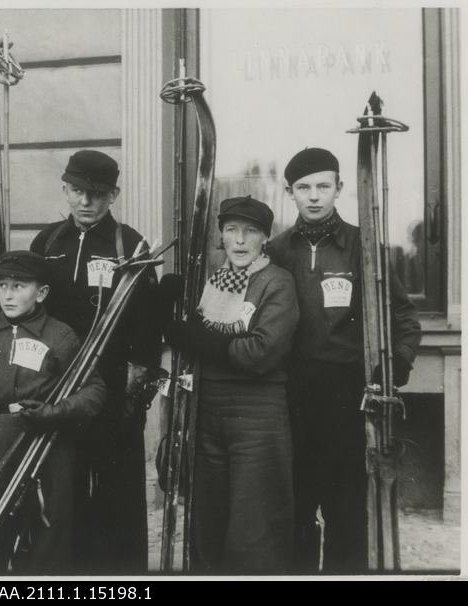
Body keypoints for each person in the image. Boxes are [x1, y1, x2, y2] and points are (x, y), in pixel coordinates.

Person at [270, 148, 422, 573]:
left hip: (348, 399)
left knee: (347, 511)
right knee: (295, 509)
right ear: (290, 192)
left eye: (323, 186)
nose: (314, 196)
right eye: (303, 188)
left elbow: (405, 318)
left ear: (339, 187)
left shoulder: (363, 247)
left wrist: (395, 367)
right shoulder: (278, 250)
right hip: (291, 397)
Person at [28, 150, 161, 572]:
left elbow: (148, 326)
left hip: (113, 389)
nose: (86, 202)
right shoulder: (47, 242)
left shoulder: (130, 244)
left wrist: (137, 389)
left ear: (113, 195)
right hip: (58, 388)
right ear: (65, 189)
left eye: (97, 194)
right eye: (78, 191)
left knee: (117, 494)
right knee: (64, 490)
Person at [0, 250, 106, 572]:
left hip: (47, 446)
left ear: (42, 293)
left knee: (49, 536)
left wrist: (57, 411)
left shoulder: (60, 336)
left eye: (19, 286)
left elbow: (95, 391)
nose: (8, 293)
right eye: (3, 285)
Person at [163, 196, 299, 573]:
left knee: (252, 523)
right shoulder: (210, 281)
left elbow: (262, 352)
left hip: (257, 415)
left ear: (264, 238)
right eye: (231, 230)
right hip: (208, 410)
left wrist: (198, 339)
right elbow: (184, 336)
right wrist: (168, 305)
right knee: (207, 518)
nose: (240, 240)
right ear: (221, 236)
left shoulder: (276, 282)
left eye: (250, 231)